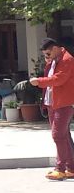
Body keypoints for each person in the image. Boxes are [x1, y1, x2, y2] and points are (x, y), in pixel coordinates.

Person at [30, 38, 74, 181]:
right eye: (44, 55)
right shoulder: (54, 60)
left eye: (47, 54)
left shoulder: (67, 59)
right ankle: (71, 167)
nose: (46, 57)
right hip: (53, 103)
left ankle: (60, 169)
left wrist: (39, 82)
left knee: (58, 135)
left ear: (55, 48)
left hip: (64, 103)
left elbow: (59, 79)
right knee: (64, 136)